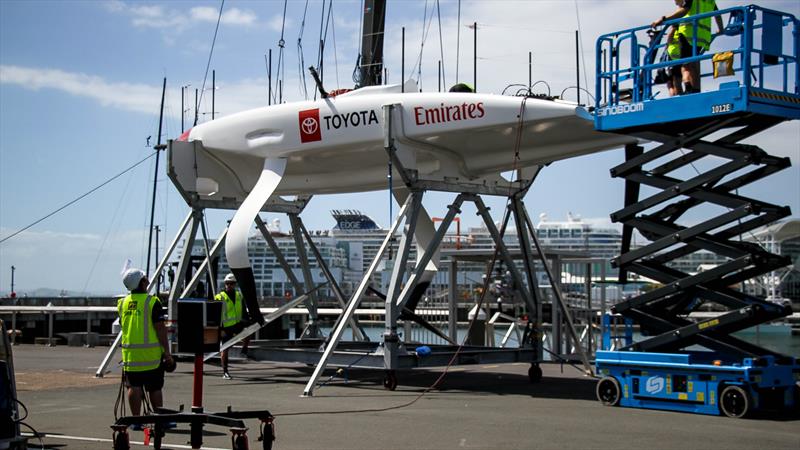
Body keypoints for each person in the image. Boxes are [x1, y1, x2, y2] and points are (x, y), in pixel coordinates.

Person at [118, 268, 173, 417]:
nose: (148, 281)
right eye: (145, 279)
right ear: (141, 283)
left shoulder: (123, 303)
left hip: (131, 356)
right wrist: (167, 353)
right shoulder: (152, 302)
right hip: (151, 356)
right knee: (154, 388)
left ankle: (136, 420)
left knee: (133, 386)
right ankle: (159, 418)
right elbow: (160, 329)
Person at [652, 0, 724, 94]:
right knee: (695, 61)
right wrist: (721, 29)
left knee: (686, 65)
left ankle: (690, 89)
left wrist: (664, 19)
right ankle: (696, 89)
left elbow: (684, 10)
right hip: (703, 36)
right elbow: (717, 15)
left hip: (689, 33)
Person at [214, 273, 250, 380]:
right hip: (225, 327)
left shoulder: (239, 295)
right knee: (224, 349)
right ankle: (225, 372)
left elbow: (244, 311)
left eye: (231, 283)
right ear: (225, 284)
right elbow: (215, 315)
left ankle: (244, 351)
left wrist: (247, 323)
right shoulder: (219, 297)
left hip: (237, 324)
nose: (229, 285)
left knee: (249, 332)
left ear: (235, 284)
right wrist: (220, 329)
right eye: (227, 283)